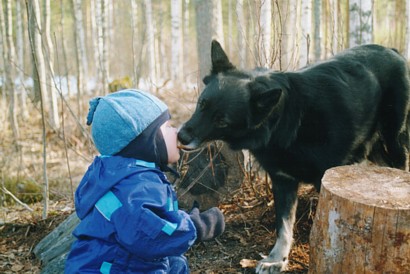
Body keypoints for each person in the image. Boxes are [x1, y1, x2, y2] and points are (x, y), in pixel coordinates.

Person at [65, 89, 225, 273]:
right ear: (146, 141)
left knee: (175, 263)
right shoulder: (137, 185)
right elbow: (151, 235)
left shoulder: (125, 176)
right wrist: (197, 225)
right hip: (109, 269)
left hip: (118, 264)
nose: (175, 132)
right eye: (167, 126)